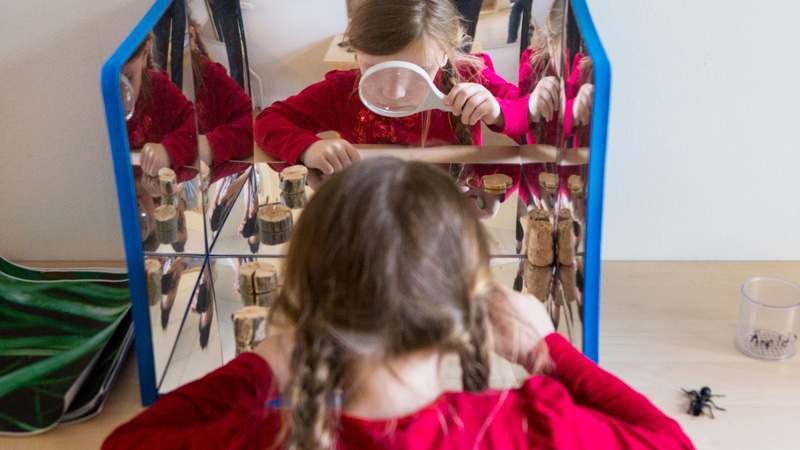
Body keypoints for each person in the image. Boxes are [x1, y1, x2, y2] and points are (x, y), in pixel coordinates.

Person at [103, 158, 695, 450]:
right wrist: (547, 350)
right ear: (467, 310)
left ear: (304, 302)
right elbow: (669, 441)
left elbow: (124, 444)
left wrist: (269, 363)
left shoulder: (266, 437)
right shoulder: (527, 428)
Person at [254, 0, 531, 174]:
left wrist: (497, 111)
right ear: (356, 54)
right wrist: (307, 148)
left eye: (418, 71)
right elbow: (268, 121)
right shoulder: (342, 91)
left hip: (447, 218)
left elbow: (530, 117)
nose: (394, 92)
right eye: (374, 69)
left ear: (445, 53)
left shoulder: (470, 77)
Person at [122, 34, 197, 177]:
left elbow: (194, 126)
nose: (119, 96)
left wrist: (168, 151)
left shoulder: (160, 89)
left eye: (128, 78)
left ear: (145, 54)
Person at [189, 18, 254, 168]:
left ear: (191, 36)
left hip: (209, 173)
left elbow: (252, 126)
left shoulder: (211, 76)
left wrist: (210, 145)